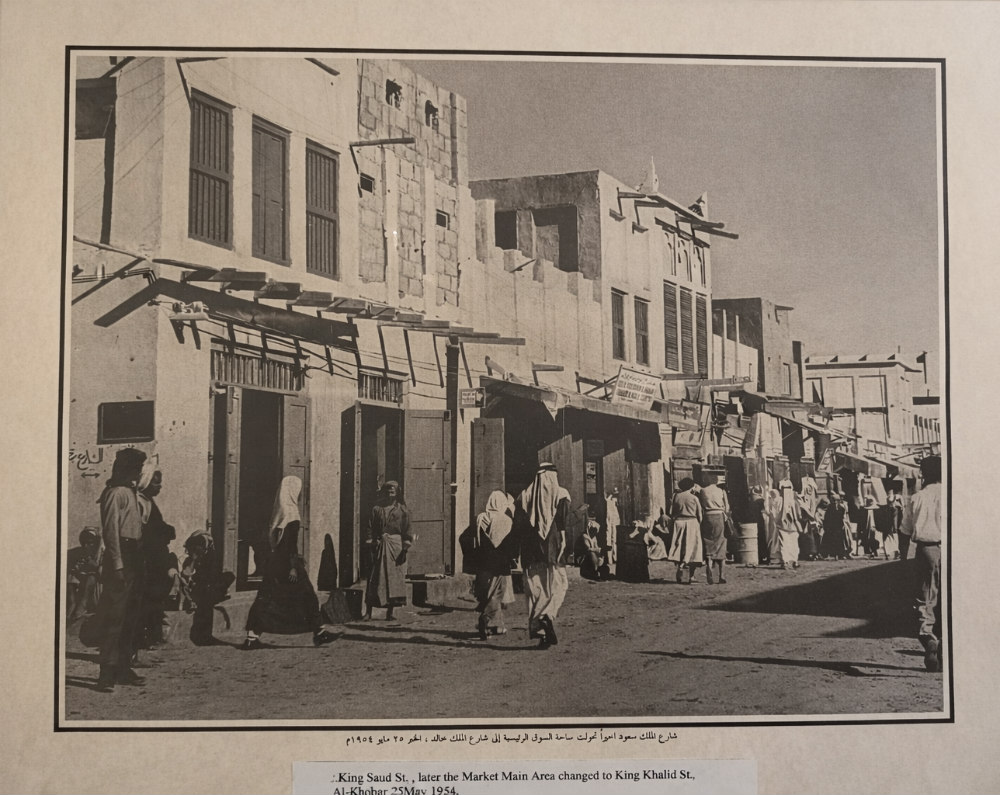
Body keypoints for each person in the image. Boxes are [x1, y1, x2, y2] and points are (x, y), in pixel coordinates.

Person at [243, 477, 339, 649]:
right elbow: (289, 544)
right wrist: (294, 567)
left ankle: (251, 636)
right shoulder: (292, 515)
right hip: (288, 563)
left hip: (275, 563)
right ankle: (320, 633)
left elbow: (277, 542)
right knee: (308, 595)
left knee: (266, 598)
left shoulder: (279, 513)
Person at [92, 447, 148, 693]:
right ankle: (106, 672)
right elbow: (111, 532)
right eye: (134, 468)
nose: (137, 473)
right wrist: (117, 565)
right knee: (114, 616)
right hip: (122, 557)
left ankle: (123, 667)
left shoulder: (131, 493)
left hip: (135, 556)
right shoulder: (115, 494)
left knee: (130, 616)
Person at [515, 463, 569, 648]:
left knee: (535, 590)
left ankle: (540, 632)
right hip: (552, 544)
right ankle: (548, 615)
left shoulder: (523, 496)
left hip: (531, 547)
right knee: (559, 584)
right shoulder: (562, 494)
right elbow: (562, 524)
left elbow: (518, 526)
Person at [902, 455, 943, 672]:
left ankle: (928, 638)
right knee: (951, 600)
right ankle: (947, 649)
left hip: (926, 550)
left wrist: (901, 559)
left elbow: (905, 530)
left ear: (923, 474)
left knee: (926, 598)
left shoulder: (917, 497)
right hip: (952, 548)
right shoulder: (951, 494)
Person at [136, 467, 179, 649]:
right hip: (148, 560)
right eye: (156, 482)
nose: (159, 486)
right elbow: (147, 532)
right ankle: (143, 639)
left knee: (155, 599)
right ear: (145, 482)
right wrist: (165, 530)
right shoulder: (139, 503)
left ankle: (151, 636)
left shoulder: (148, 502)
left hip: (156, 559)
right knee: (147, 600)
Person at [471, 491, 518, 639]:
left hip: (483, 561)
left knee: (488, 592)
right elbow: (506, 543)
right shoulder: (505, 520)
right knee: (497, 593)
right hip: (500, 562)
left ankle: (497, 626)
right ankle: (485, 618)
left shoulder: (480, 517)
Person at [364, 481, 413, 621]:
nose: (390, 493)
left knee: (393, 580)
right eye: (388, 491)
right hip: (379, 545)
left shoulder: (403, 510)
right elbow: (369, 527)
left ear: (397, 493)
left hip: (395, 547)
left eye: (393, 491)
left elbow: (407, 529)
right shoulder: (376, 509)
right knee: (374, 578)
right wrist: (372, 541)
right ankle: (368, 612)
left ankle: (390, 612)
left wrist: (405, 547)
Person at [667, 478, 703, 584]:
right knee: (692, 548)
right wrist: (698, 524)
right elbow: (699, 514)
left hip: (678, 522)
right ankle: (691, 575)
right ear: (691, 486)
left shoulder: (676, 497)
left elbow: (671, 512)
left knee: (679, 547)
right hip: (691, 522)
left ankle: (680, 571)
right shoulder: (694, 498)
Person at [699, 474, 731, 584]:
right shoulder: (721, 491)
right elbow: (727, 507)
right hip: (719, 516)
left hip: (707, 516)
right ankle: (722, 575)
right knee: (721, 542)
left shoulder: (702, 491)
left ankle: (709, 562)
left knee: (708, 540)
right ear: (716, 481)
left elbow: (700, 506)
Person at [67, 528, 102, 621]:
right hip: (80, 584)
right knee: (71, 577)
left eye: (90, 543)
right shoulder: (80, 553)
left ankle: (81, 607)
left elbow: (104, 573)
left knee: (91, 578)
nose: (86, 546)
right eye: (84, 543)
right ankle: (72, 604)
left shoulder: (102, 554)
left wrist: (95, 566)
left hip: (98, 587)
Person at [575, 509, 608, 581]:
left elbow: (595, 547)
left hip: (591, 557)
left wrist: (600, 552)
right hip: (583, 557)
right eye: (593, 530)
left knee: (600, 553)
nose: (594, 532)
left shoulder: (594, 537)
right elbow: (588, 549)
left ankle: (599, 569)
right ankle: (595, 571)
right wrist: (597, 550)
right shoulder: (585, 536)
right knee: (592, 553)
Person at [819, 492, 853, 560]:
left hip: (839, 527)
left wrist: (842, 525)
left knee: (841, 540)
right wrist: (826, 527)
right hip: (831, 527)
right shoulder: (829, 508)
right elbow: (826, 518)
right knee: (828, 540)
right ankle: (827, 554)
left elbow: (842, 518)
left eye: (836, 500)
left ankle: (842, 554)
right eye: (833, 500)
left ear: (838, 501)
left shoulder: (841, 508)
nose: (835, 502)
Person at [777, 478, 801, 569]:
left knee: (785, 543)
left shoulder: (779, 500)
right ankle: (793, 560)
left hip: (783, 525)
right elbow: (799, 513)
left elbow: (776, 513)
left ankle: (786, 561)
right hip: (792, 526)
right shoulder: (795, 500)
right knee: (793, 544)